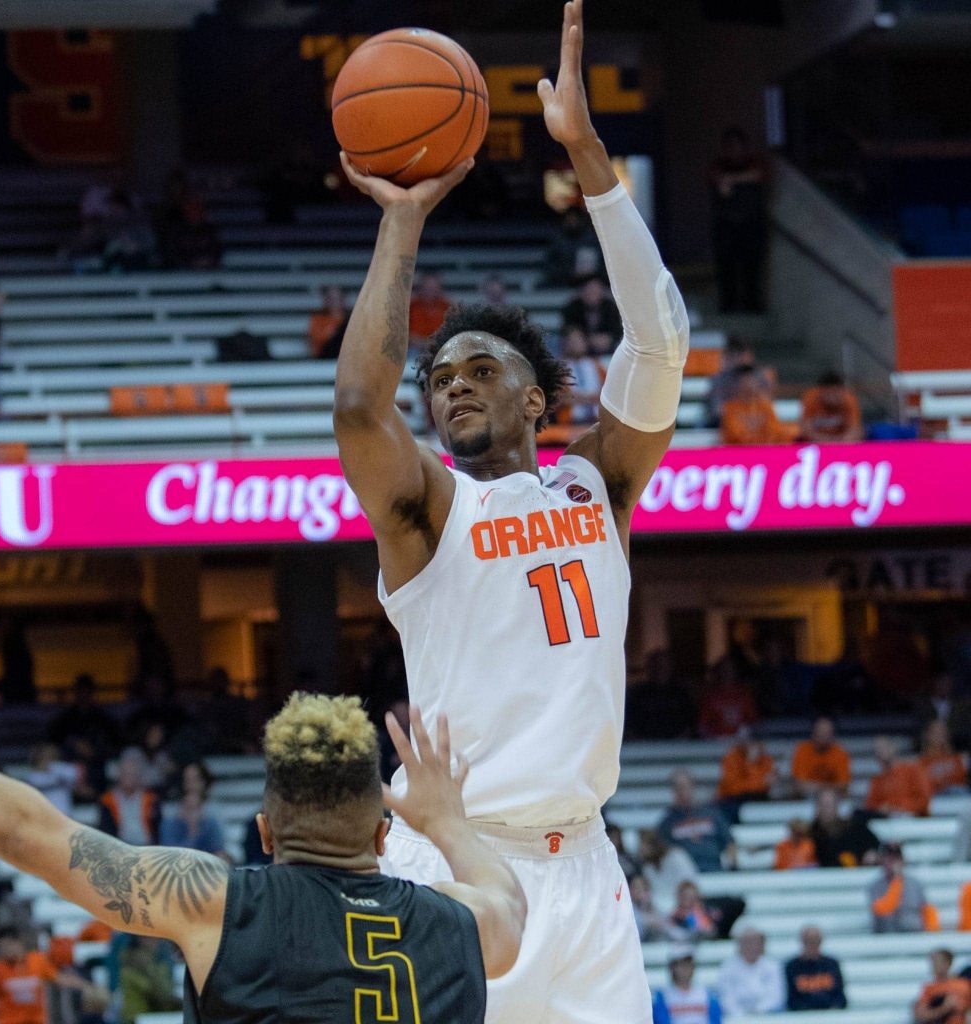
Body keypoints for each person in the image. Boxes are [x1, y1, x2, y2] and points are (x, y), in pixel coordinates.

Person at [332, 2, 689, 1020]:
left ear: (536, 397)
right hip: (458, 859)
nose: (450, 387)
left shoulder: (596, 483)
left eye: (479, 369)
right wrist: (401, 218)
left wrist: (588, 160)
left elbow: (660, 344)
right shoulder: (427, 515)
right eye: (439, 377)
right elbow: (362, 405)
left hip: (586, 869)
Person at [0, 693, 526, 1023]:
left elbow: (24, 831)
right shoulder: (463, 925)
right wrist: (449, 823)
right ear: (381, 836)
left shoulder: (215, 904)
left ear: (265, 833)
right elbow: (510, 906)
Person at [709, 127, 769, 313]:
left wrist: (733, 180)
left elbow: (758, 175)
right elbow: (718, 181)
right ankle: (728, 306)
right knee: (727, 267)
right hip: (726, 225)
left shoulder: (753, 163)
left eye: (738, 145)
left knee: (752, 267)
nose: (734, 150)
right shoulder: (719, 165)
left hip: (751, 224)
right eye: (730, 146)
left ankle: (752, 305)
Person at [0, 926, 94, 1024]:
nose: (4, 951)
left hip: (35, 1020)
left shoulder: (37, 961)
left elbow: (60, 978)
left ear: (18, 943)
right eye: (1, 948)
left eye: (7, 946)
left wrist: (87, 987)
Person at [658, 770, 737, 873]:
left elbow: (729, 842)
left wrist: (732, 867)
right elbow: (663, 853)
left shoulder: (712, 814)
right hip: (685, 876)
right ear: (673, 791)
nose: (683, 791)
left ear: (693, 787)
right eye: (679, 788)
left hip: (714, 869)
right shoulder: (667, 823)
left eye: (686, 786)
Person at [98, 748, 161, 845]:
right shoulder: (107, 800)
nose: (129, 778)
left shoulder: (151, 799)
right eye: (126, 773)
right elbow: (106, 830)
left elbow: (157, 830)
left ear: (139, 775)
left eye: (133, 774)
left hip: (146, 847)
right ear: (119, 774)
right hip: (120, 847)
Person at [716, 928, 786, 1015]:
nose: (751, 946)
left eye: (754, 942)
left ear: (762, 944)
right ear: (740, 944)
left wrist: (758, 1011)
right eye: (746, 943)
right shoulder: (728, 967)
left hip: (766, 1015)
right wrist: (739, 1014)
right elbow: (726, 996)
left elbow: (776, 997)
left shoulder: (772, 965)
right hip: (736, 1017)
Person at [870, 842, 935, 933]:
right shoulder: (875, 886)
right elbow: (883, 910)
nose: (893, 862)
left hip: (915, 934)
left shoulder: (915, 883)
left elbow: (927, 910)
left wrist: (931, 931)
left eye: (897, 857)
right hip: (888, 936)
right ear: (882, 860)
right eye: (889, 858)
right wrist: (897, 881)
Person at [716, 727, 776, 821]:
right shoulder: (731, 758)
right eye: (749, 741)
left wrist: (757, 783)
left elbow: (769, 785)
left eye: (755, 741)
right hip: (732, 801)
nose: (752, 744)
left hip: (758, 799)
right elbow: (734, 789)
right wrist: (751, 763)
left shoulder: (766, 759)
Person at [866, 735, 933, 817]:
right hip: (887, 822)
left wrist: (898, 808)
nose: (881, 752)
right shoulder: (877, 780)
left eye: (884, 747)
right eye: (877, 749)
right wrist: (881, 809)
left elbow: (924, 800)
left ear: (893, 747)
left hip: (914, 821)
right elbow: (870, 806)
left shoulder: (913, 770)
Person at [810, 788, 879, 868]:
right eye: (822, 804)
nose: (826, 809)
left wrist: (871, 853)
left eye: (829, 805)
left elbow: (875, 846)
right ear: (816, 808)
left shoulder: (854, 829)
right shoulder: (809, 835)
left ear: (837, 806)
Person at [720, 364, 789, 445]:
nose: (748, 384)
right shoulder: (729, 408)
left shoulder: (766, 406)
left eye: (751, 380)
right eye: (744, 381)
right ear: (737, 384)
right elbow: (735, 436)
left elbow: (775, 432)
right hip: (738, 453)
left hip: (763, 451)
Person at [118, 936, 181, 1024]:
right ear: (140, 940)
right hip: (136, 1018)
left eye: (157, 939)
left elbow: (166, 991)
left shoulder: (158, 963)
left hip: (156, 1014)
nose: (156, 942)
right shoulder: (129, 967)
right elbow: (157, 994)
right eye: (150, 938)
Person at [652, 947, 722, 1024]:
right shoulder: (662, 996)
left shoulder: (707, 994)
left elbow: (716, 1020)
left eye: (688, 964)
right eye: (681, 964)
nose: (685, 968)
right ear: (672, 967)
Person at [784, 926, 846, 1011]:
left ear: (821, 942)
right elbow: (791, 998)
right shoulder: (792, 967)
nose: (812, 945)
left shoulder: (832, 964)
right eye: (808, 941)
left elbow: (839, 995)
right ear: (802, 942)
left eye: (815, 941)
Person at [561, 274, 623, 355]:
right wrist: (587, 339)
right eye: (588, 289)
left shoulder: (611, 307)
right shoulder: (572, 307)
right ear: (582, 291)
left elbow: (617, 332)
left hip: (608, 351)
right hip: (580, 350)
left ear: (601, 291)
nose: (591, 293)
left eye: (595, 290)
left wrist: (608, 339)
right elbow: (568, 328)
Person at [697, 657, 758, 738]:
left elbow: (754, 722)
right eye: (724, 669)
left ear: (735, 671)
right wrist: (712, 737)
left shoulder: (744, 694)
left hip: (742, 743)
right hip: (717, 743)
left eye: (730, 669)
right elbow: (703, 726)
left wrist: (745, 732)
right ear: (719, 671)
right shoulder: (711, 696)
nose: (727, 672)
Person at [541, 205, 602, 286]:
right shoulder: (557, 241)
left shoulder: (593, 240)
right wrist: (570, 272)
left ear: (582, 220)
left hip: (594, 284)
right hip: (563, 284)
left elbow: (605, 265)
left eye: (575, 218)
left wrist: (594, 272)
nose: (572, 221)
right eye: (570, 219)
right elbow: (549, 267)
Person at [791, 717, 851, 797]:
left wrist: (816, 787)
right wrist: (829, 786)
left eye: (827, 732)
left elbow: (844, 786)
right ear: (813, 733)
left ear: (832, 734)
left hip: (833, 799)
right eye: (820, 732)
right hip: (806, 799)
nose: (823, 735)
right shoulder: (802, 750)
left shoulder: (840, 753)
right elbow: (799, 786)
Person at [799, 372, 863, 444]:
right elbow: (806, 429)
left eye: (835, 392)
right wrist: (828, 442)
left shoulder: (849, 399)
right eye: (829, 393)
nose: (832, 397)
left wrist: (841, 442)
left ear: (841, 391)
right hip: (817, 443)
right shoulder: (811, 398)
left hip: (841, 441)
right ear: (821, 391)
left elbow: (856, 430)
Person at [913, 949, 971, 1024]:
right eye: (933, 962)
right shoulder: (929, 988)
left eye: (939, 962)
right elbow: (921, 1015)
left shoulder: (963, 985)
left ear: (949, 963)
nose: (935, 966)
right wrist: (944, 1008)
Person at [25, 744, 79, 817]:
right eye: (44, 754)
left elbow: (74, 774)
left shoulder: (62, 767)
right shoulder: (32, 775)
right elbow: (35, 782)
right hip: (45, 813)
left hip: (64, 811)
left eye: (50, 753)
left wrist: (51, 769)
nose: (47, 756)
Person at [631, 874, 686, 943]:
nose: (641, 892)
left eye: (645, 889)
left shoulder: (653, 907)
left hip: (659, 945)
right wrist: (648, 921)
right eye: (637, 889)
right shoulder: (628, 909)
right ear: (630, 891)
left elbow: (667, 923)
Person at [920, 719, 968, 795]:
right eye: (935, 732)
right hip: (933, 797)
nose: (939, 735)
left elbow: (961, 780)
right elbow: (923, 784)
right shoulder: (921, 761)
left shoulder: (958, 758)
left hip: (957, 797)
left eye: (942, 732)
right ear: (928, 735)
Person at [408, 272, 452, 347]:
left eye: (433, 288)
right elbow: (404, 335)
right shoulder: (411, 307)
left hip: (439, 348)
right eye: (427, 288)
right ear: (421, 288)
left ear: (439, 288)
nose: (430, 291)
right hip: (414, 350)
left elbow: (451, 334)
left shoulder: (448, 307)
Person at [307, 285, 349, 359]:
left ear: (343, 299)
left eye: (337, 298)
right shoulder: (317, 320)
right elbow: (317, 342)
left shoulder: (349, 320)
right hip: (325, 357)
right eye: (331, 298)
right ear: (325, 300)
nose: (334, 302)